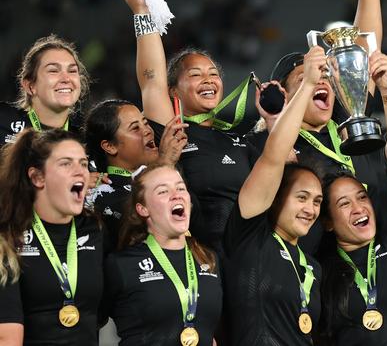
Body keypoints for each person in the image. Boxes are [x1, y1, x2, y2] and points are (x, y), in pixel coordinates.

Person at [247, 0, 387, 254]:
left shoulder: (347, 121)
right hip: (319, 269)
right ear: (284, 96)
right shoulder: (268, 144)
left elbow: (364, 50)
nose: (319, 81)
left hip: (379, 256)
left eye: (324, 76)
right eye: (305, 80)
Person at [122, 0, 257, 257]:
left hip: (247, 263)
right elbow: (151, 79)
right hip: (197, 259)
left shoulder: (239, 140)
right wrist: (140, 12)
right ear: (173, 91)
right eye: (195, 75)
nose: (207, 80)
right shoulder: (173, 131)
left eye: (213, 74)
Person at [316, 51, 387, 344]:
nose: (358, 208)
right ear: (327, 221)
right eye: (344, 203)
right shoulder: (320, 272)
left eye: (361, 197)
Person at [223, 46, 326, 345]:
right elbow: (273, 156)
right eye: (302, 197)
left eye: (317, 201)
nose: (311, 208)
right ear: (276, 196)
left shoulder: (311, 266)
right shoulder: (248, 237)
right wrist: (306, 84)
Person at [0, 129, 103, 345]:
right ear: (37, 177)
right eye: (66, 163)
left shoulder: (95, 230)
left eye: (83, 163)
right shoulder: (9, 238)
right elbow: (7, 336)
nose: (80, 172)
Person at [103, 163, 222, 345]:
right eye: (163, 191)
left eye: (181, 188)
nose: (176, 195)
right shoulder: (121, 264)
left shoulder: (208, 259)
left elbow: (207, 331)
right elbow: (94, 320)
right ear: (143, 209)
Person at [83, 99, 190, 249]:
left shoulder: (173, 177)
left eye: (145, 123)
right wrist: (165, 165)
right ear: (110, 146)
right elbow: (141, 226)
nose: (147, 130)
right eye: (135, 128)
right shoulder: (100, 192)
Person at [0, 35, 90, 147]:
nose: (66, 79)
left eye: (72, 71)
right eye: (53, 71)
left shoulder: (87, 141)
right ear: (30, 86)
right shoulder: (3, 121)